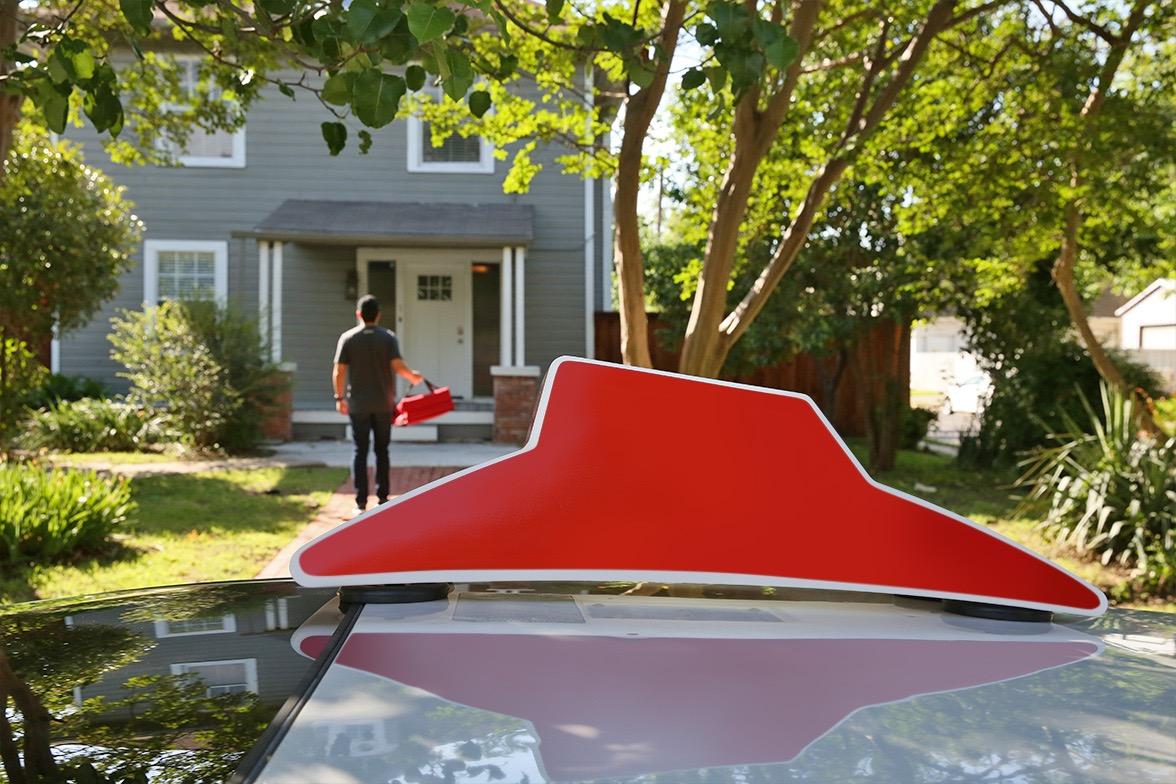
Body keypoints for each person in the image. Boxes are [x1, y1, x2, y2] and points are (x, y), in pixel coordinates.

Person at [332, 295, 423, 515]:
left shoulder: (348, 338)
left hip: (358, 405)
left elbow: (339, 371)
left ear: (358, 314)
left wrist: (339, 398)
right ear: (378, 315)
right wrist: (413, 377)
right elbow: (398, 366)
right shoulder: (388, 338)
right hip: (383, 404)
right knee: (382, 450)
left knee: (360, 450)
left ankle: (360, 503)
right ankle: (383, 499)